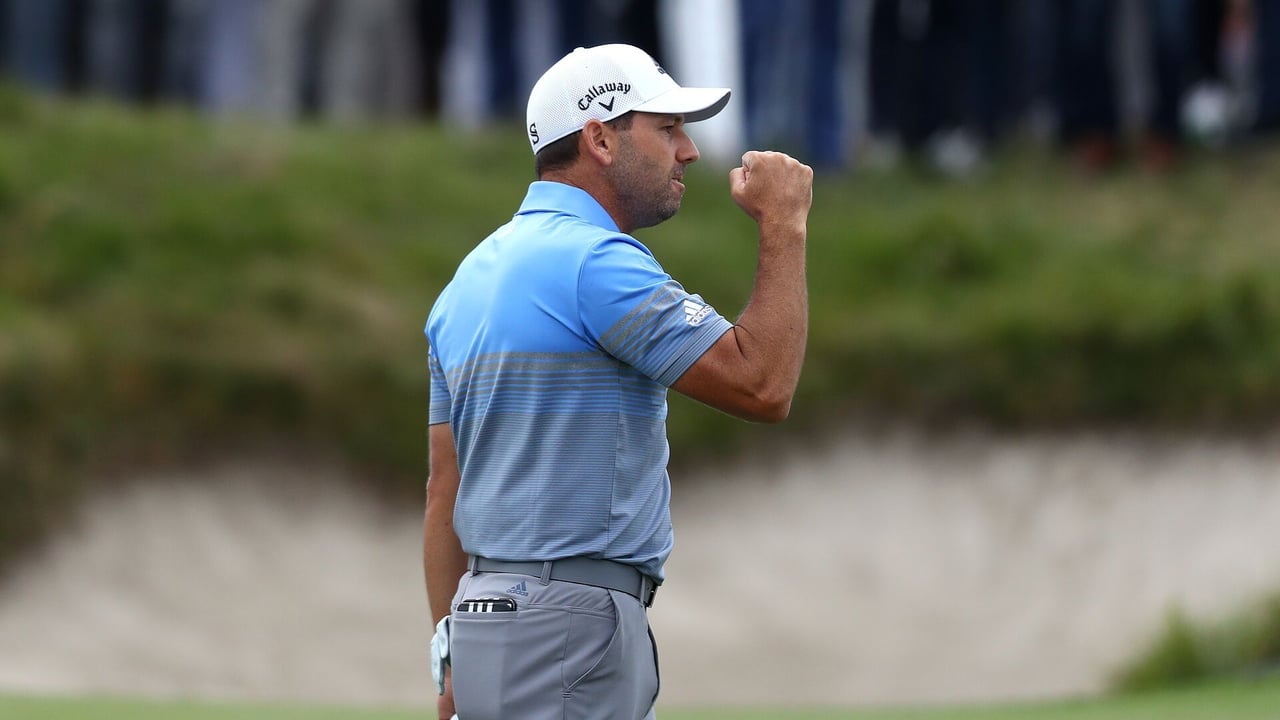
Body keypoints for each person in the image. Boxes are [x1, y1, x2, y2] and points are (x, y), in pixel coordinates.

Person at [423, 43, 812, 720]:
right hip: (567, 627)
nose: (687, 151)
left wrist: (450, 644)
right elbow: (763, 384)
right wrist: (784, 225)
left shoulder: (469, 278)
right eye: (666, 129)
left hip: (485, 619)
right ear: (600, 138)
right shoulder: (596, 262)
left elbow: (444, 489)